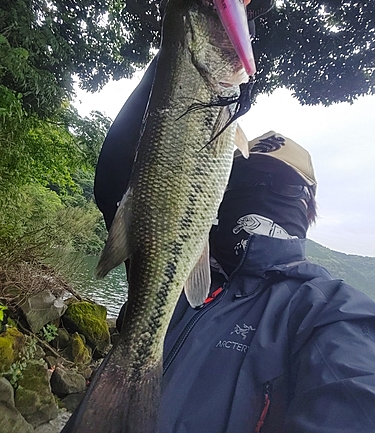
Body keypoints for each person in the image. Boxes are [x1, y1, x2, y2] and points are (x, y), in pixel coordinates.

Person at [94, 68, 375, 432]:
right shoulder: (173, 263)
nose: (260, 189)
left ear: (309, 210)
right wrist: (183, 65)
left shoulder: (327, 311)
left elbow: (356, 395)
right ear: (216, 191)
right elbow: (119, 180)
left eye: (282, 185)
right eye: (245, 179)